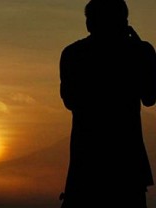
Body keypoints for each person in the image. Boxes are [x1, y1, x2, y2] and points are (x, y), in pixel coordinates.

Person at [59, 0, 156, 207]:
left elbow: (70, 101)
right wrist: (143, 55)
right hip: (127, 164)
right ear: (124, 21)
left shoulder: (73, 54)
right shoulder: (138, 52)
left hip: (86, 161)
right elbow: (150, 97)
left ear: (90, 23)